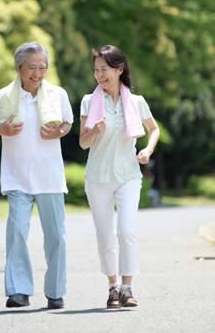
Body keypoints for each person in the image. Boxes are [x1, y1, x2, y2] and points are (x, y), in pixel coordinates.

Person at [0, 42, 73, 309]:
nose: (38, 72)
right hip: (17, 177)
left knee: (56, 235)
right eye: (32, 67)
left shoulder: (57, 94)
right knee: (16, 232)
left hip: (49, 177)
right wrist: (1, 130)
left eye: (42, 66)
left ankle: (55, 292)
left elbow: (68, 123)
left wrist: (59, 132)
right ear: (19, 68)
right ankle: (18, 291)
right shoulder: (4, 95)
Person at [79, 45, 159, 308]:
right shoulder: (89, 102)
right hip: (97, 178)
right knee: (105, 236)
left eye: (105, 69)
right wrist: (94, 131)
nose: (99, 75)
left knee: (126, 231)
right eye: (96, 70)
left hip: (128, 176)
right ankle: (113, 287)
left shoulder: (136, 102)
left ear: (119, 70)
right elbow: (82, 143)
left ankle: (127, 288)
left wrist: (147, 149)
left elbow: (153, 129)